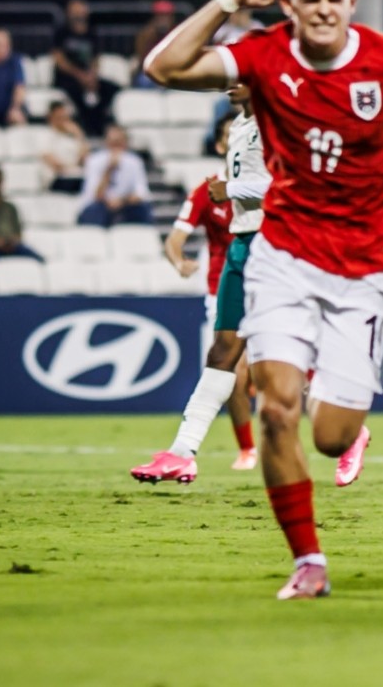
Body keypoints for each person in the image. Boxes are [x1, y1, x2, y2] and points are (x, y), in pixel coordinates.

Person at [143, 0, 383, 598]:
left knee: (332, 435)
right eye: (310, 0)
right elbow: (163, 67)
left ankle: (351, 434)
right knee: (276, 408)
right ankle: (308, 560)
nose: (324, 11)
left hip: (365, 270)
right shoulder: (262, 56)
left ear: (352, 0)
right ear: (286, 3)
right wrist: (225, 1)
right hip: (283, 257)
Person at [131, 98, 264, 484]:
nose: (230, 81)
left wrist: (234, 188)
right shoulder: (240, 128)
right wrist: (180, 261)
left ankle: (350, 428)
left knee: (277, 366)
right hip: (239, 253)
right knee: (224, 356)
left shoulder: (280, 121)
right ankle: (182, 453)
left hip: (276, 250)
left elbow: (295, 186)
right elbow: (175, 239)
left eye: (241, 69)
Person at [53, 0, 120, 136]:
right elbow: (59, 60)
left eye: (81, 12)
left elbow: (96, 59)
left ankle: (102, 124)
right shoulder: (61, 32)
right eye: (75, 12)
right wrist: (79, 75)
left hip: (87, 75)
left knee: (111, 89)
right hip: (67, 76)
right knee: (76, 92)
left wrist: (92, 76)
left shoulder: (91, 33)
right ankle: (84, 127)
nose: (78, 16)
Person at [76, 125, 153, 226]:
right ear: (106, 142)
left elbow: (142, 193)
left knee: (143, 209)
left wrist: (122, 200)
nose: (115, 146)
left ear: (125, 143)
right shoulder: (94, 160)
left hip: (124, 205)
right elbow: (95, 195)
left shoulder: (134, 162)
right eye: (112, 142)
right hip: (99, 206)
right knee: (95, 211)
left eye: (118, 142)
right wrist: (109, 170)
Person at [41, 101, 89, 193]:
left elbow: (85, 159)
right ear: (51, 117)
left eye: (65, 117)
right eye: (59, 117)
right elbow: (55, 165)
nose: (63, 120)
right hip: (57, 179)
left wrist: (79, 135)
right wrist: (73, 168)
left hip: (76, 176)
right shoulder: (45, 135)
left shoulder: (71, 137)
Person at [131, 0, 178, 87]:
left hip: (172, 71)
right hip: (151, 73)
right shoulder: (146, 33)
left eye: (166, 16)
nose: (163, 20)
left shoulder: (176, 33)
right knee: (143, 81)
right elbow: (142, 58)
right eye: (160, 16)